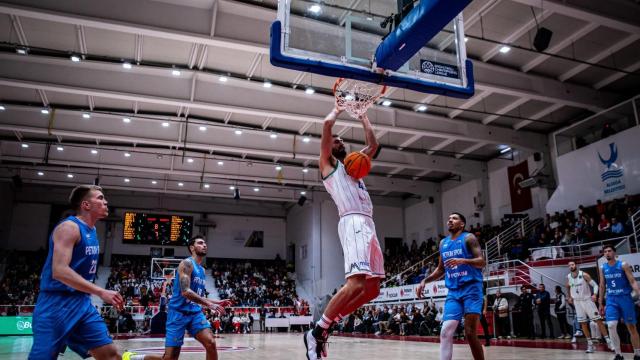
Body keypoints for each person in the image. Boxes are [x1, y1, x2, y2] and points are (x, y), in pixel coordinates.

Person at [304, 104, 385, 360]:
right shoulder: (329, 167)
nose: (339, 141)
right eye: (336, 141)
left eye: (342, 140)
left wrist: (363, 117)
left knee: (373, 289)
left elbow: (373, 146)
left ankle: (326, 325)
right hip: (352, 222)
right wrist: (338, 109)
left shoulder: (353, 165)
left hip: (369, 224)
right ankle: (317, 331)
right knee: (356, 283)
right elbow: (327, 127)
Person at [29, 185, 125, 360]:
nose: (106, 202)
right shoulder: (69, 228)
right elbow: (60, 271)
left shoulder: (93, 230)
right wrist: (101, 291)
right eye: (100, 198)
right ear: (86, 205)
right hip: (56, 305)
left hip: (82, 303)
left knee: (111, 356)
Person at [125, 236, 232, 360]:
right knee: (170, 358)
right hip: (177, 313)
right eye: (200, 243)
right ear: (192, 247)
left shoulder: (202, 270)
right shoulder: (187, 264)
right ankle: (134, 358)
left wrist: (215, 301)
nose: (204, 245)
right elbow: (186, 292)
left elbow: (198, 295)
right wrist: (210, 305)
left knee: (211, 343)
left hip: (194, 313)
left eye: (205, 243)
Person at [417, 212, 486, 360]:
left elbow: (482, 261)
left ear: (462, 224)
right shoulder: (443, 243)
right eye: (449, 218)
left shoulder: (469, 238)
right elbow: (441, 269)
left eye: (454, 218)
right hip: (453, 292)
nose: (450, 220)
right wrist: (425, 281)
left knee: (469, 333)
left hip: (471, 288)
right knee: (445, 332)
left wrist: (464, 261)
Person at [598, 244, 640, 360]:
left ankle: (637, 353)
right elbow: (602, 285)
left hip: (625, 298)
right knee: (611, 325)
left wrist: (638, 292)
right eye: (605, 251)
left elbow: (632, 281)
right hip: (611, 299)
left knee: (631, 327)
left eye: (609, 251)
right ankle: (618, 354)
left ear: (614, 253)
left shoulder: (623, 265)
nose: (607, 253)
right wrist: (600, 303)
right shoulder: (602, 267)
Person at [566, 261, 613, 353]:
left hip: (587, 300)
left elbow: (595, 285)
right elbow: (567, 286)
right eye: (569, 265)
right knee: (583, 323)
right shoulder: (568, 277)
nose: (571, 266)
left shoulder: (584, 275)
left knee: (598, 320)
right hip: (577, 302)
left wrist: (595, 294)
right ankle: (590, 344)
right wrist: (569, 296)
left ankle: (609, 342)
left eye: (572, 264)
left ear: (576, 265)